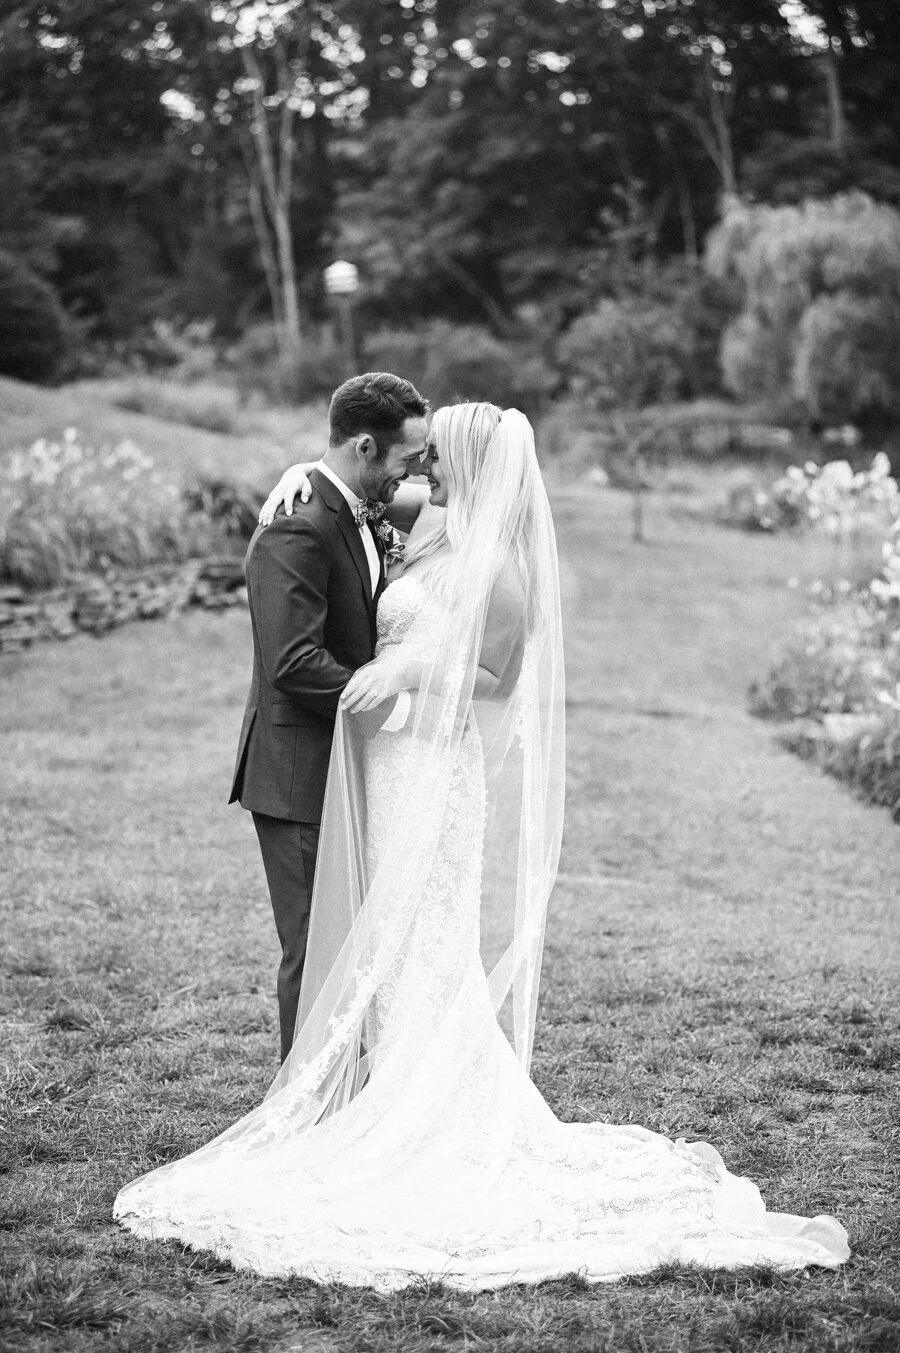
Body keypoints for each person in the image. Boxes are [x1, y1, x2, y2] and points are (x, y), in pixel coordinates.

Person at [114, 403, 849, 1290]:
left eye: (434, 455)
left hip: (432, 770)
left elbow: (496, 677)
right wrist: (299, 474)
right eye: (416, 455)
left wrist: (408, 669)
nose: (421, 468)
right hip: (382, 767)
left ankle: (411, 1112)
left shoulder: (498, 561)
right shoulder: (428, 521)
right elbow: (344, 494)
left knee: (424, 942)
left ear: (465, 461)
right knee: (371, 945)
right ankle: (351, 1098)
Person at [229, 372, 428, 1063]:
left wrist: (304, 469)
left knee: (347, 941)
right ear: (366, 446)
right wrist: (398, 702)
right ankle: (307, 1103)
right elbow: (293, 663)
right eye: (407, 459)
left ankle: (344, 1090)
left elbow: (472, 499)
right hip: (298, 772)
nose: (415, 473)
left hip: (342, 762)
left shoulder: (355, 505)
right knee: (315, 946)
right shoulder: (299, 523)